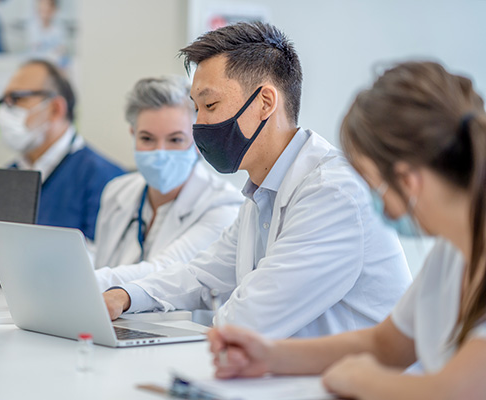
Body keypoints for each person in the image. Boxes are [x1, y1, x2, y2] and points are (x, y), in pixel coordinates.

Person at [103, 22, 411, 338]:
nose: (199, 124)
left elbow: (250, 318)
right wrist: (124, 296)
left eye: (210, 105)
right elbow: (202, 275)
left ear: (265, 102)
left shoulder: (333, 192)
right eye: (196, 109)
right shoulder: (262, 193)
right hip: (298, 379)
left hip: (354, 384)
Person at [207, 61, 486, 399]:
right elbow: (384, 344)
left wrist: (359, 379)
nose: (372, 200)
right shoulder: (451, 253)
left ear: (409, 182)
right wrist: (269, 356)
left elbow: (452, 391)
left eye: (371, 183)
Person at [93, 76, 243, 291]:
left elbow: (163, 272)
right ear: (133, 135)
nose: (160, 152)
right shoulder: (117, 191)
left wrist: (85, 281)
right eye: (147, 139)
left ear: (198, 141)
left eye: (175, 140)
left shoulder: (224, 206)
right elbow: (102, 261)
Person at [0, 59, 125, 240]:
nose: (5, 111)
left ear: (56, 109)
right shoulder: (7, 176)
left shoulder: (106, 179)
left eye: (17, 99)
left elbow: (103, 261)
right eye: (3, 101)